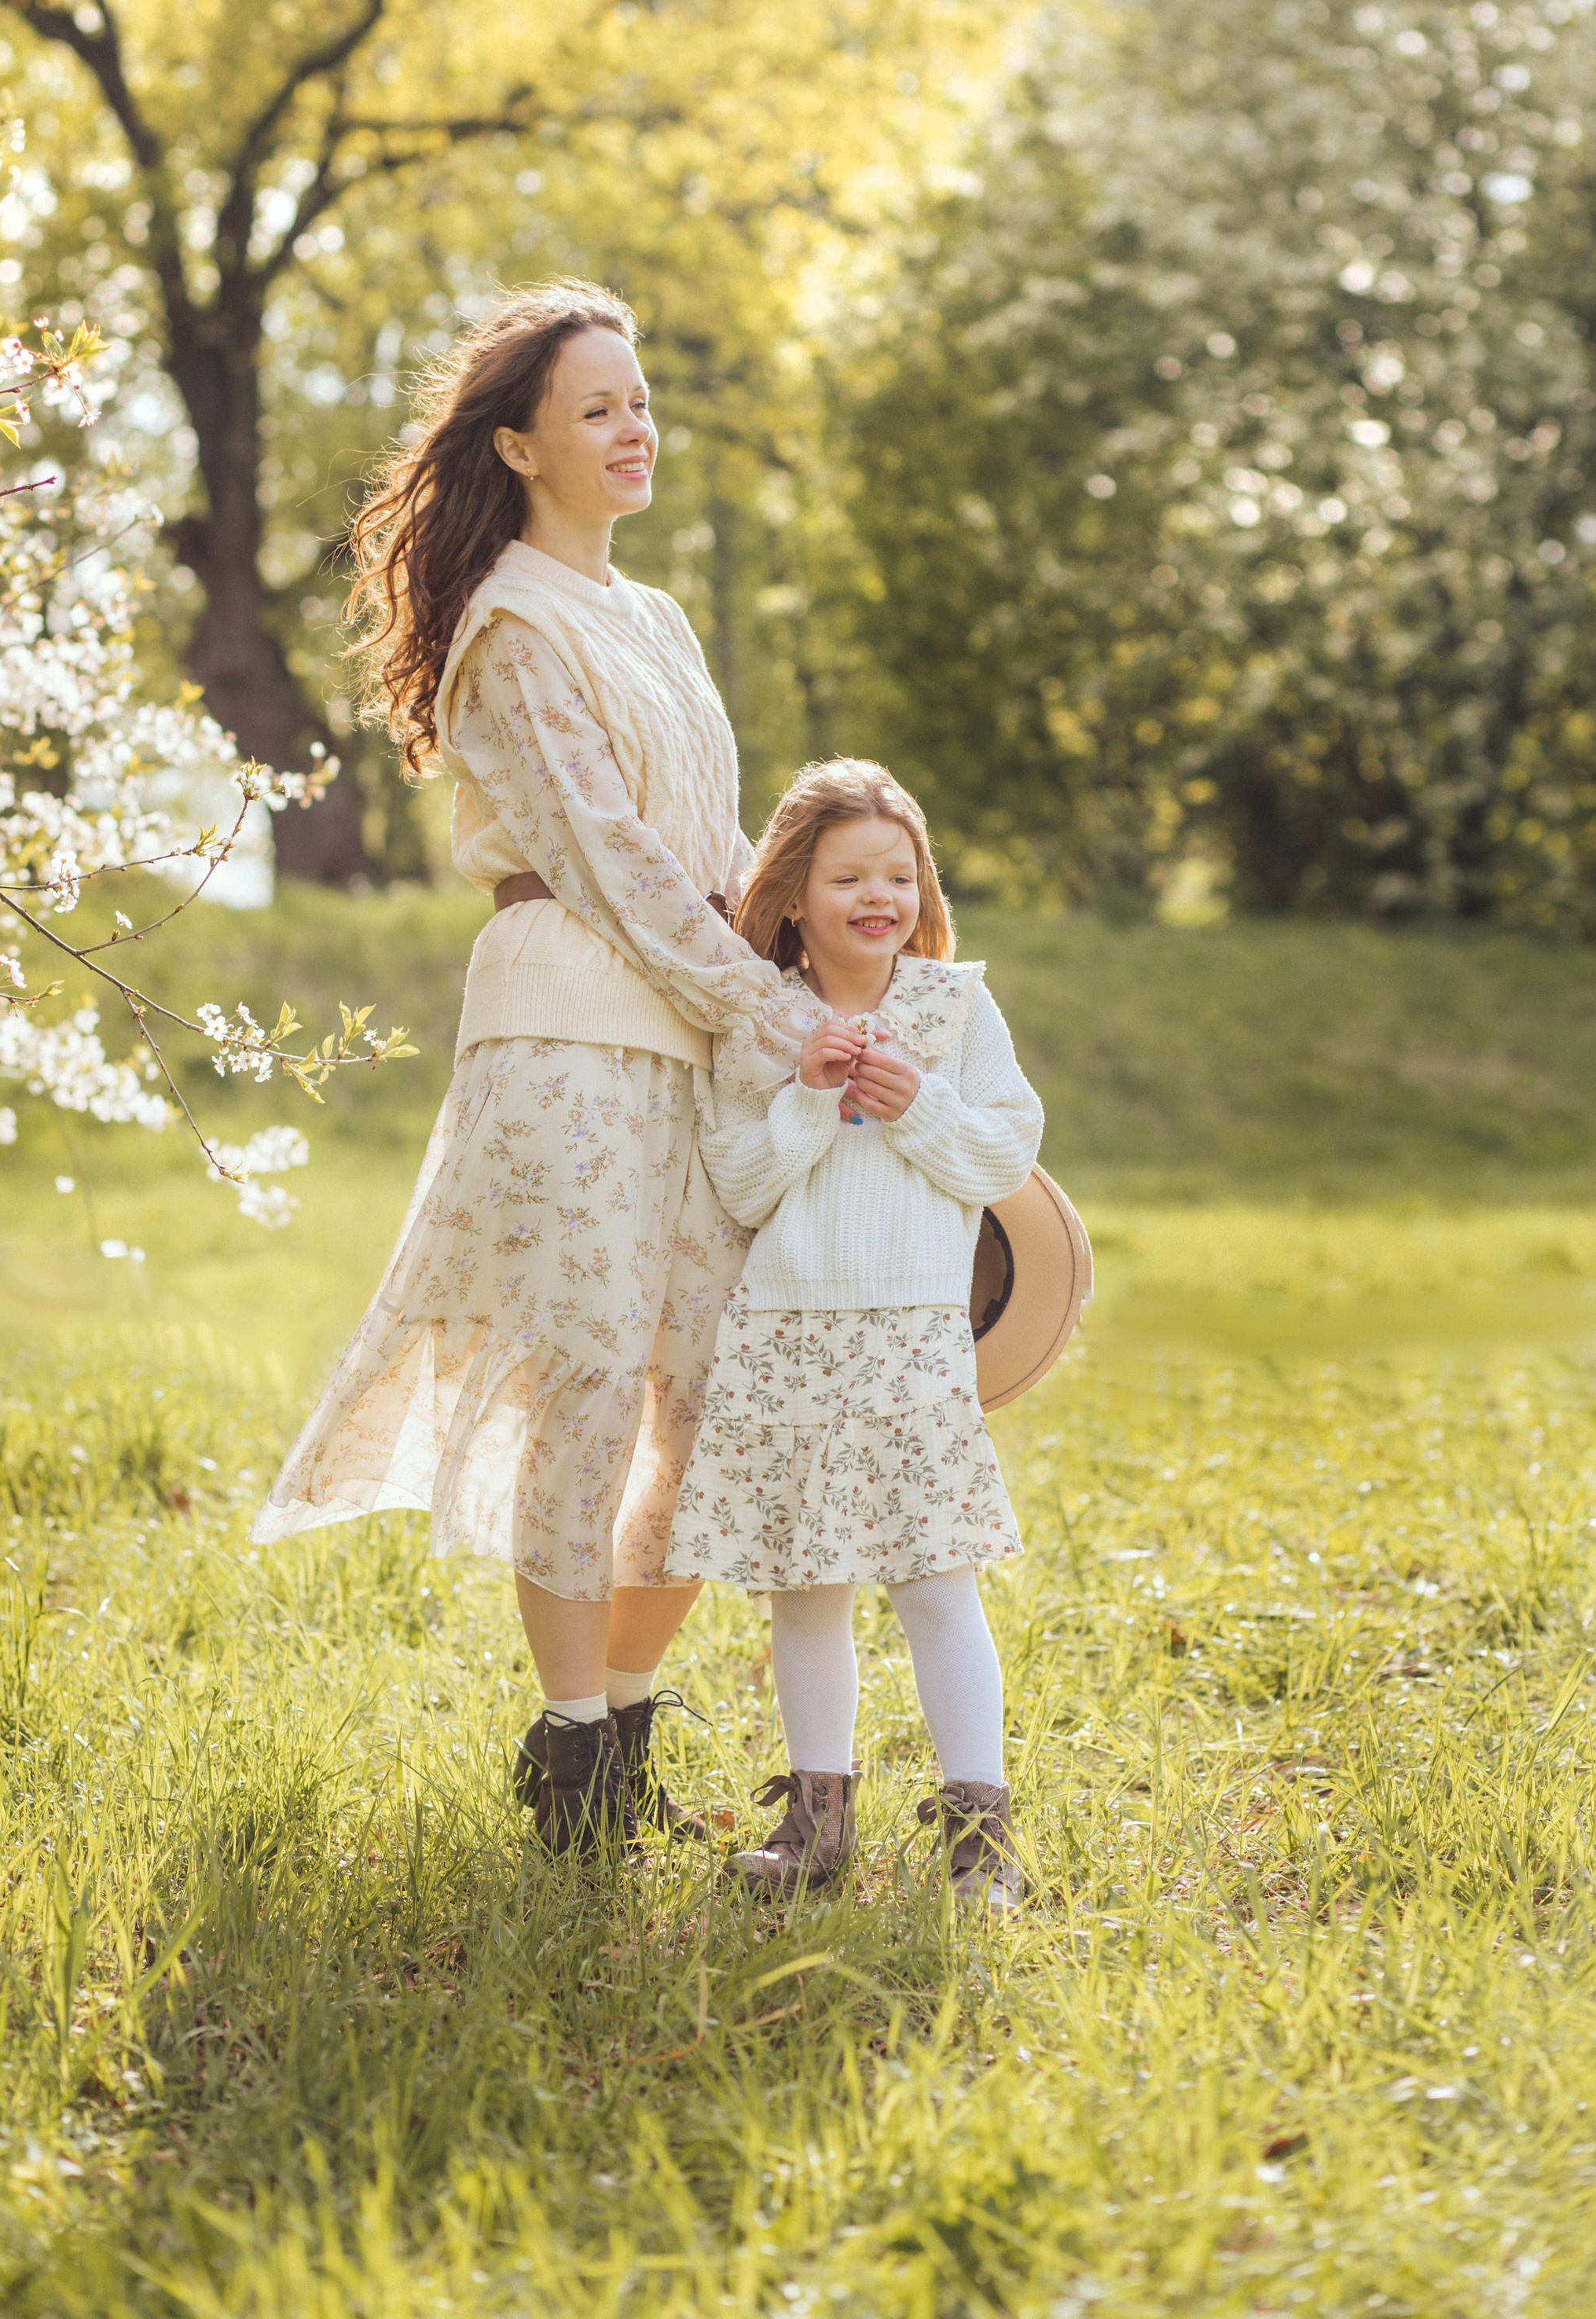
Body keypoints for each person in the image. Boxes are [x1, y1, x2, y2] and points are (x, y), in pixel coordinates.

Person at [251, 281, 805, 1854]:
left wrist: (793, 988)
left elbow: (710, 854)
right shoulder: (504, 621)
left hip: (697, 1035)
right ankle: (575, 1765)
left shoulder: (658, 618)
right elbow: (613, 861)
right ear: (520, 442)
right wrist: (761, 1006)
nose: (634, 430)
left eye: (640, 403)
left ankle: (622, 1709)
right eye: (596, 409)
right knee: (587, 1379)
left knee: (706, 1391)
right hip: (564, 1027)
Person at [665, 758, 1043, 1905]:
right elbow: (736, 1183)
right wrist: (810, 1102)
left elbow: (1004, 1154)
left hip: (912, 1336)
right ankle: (817, 1825)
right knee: (804, 1589)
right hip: (788, 1335)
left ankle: (981, 1836)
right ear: (793, 896)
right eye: (848, 877)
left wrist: (913, 1098)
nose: (877, 897)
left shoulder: (952, 1006)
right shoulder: (763, 1025)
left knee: (936, 1582)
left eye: (898, 873)